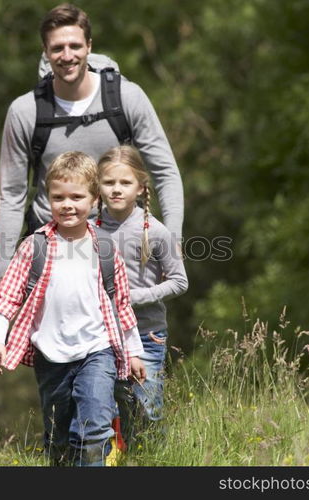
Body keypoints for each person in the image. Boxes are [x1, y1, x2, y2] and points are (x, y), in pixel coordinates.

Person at [0, 2, 184, 279]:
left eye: (75, 46)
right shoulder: (25, 111)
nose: (67, 55)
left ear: (89, 47)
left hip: (121, 244)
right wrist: (4, 270)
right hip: (54, 247)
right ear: (46, 53)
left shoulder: (126, 98)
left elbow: (165, 172)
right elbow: (11, 195)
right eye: (57, 48)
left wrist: (172, 241)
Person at [0, 151, 146, 466]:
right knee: (59, 436)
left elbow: (121, 305)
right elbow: (6, 298)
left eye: (77, 196)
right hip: (51, 354)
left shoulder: (105, 248)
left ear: (94, 199)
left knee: (96, 427)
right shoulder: (35, 247)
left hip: (97, 350)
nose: (67, 204)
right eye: (59, 197)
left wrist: (134, 351)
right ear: (48, 200)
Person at [96, 145, 188, 448]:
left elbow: (179, 282)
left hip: (146, 333)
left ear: (140, 186)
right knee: (105, 408)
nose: (117, 189)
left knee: (146, 408)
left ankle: (149, 458)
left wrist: (133, 297)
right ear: (98, 185)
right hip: (99, 336)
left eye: (125, 183)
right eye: (109, 183)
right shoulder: (88, 229)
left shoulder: (155, 231)